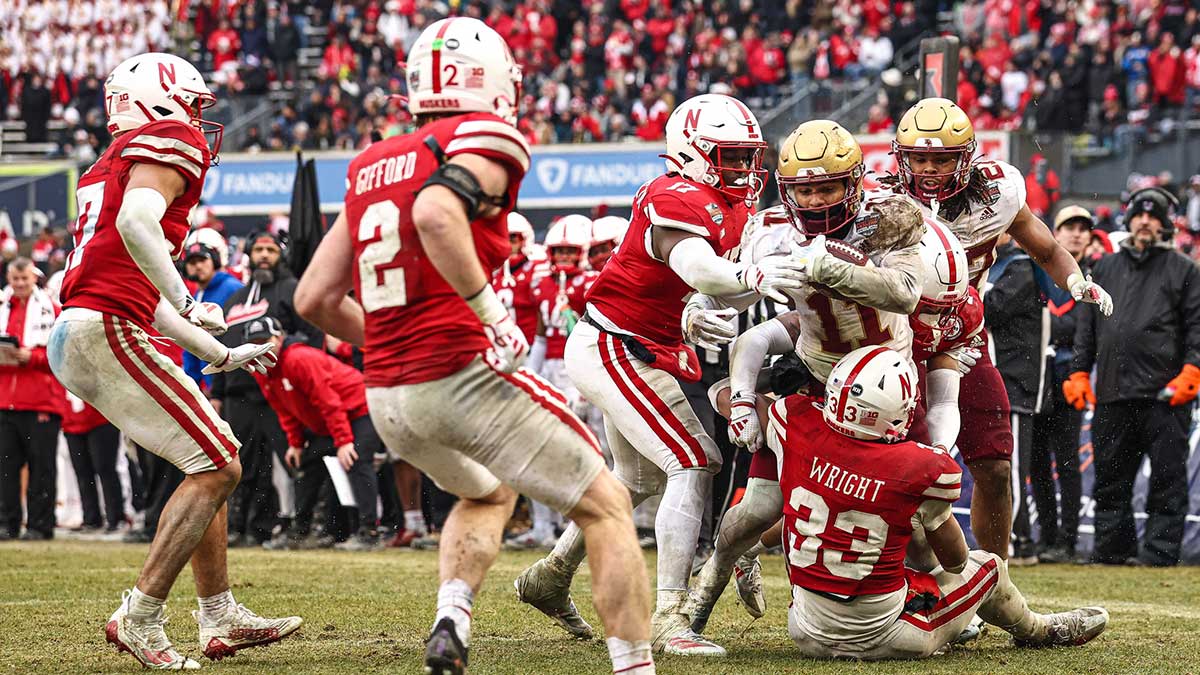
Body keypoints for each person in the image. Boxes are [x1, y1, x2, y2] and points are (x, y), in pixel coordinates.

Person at [294, 18, 655, 675]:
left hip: (390, 394)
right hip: (460, 373)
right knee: (607, 504)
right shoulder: (484, 136)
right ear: (490, 80)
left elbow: (314, 299)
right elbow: (436, 211)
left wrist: (392, 345)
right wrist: (491, 314)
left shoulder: (372, 162)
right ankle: (636, 665)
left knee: (488, 492)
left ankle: (451, 619)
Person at [516, 93, 802, 657]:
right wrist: (744, 274)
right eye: (729, 156)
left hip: (644, 347)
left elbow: (708, 285)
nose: (743, 169)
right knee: (694, 462)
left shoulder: (729, 203)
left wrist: (705, 306)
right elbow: (695, 265)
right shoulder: (674, 193)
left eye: (748, 157)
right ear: (691, 152)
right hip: (613, 345)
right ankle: (671, 615)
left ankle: (549, 577)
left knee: (639, 480)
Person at [46, 52, 300, 669]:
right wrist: (189, 297)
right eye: (191, 103)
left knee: (204, 461)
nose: (196, 119)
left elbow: (143, 294)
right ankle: (141, 616)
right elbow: (138, 225)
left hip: (84, 329)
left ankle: (219, 615)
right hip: (103, 329)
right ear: (160, 100)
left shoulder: (106, 165)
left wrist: (218, 351)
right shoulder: (169, 136)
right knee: (219, 465)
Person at [768, 347, 1108, 659]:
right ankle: (1038, 629)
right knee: (988, 566)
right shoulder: (917, 467)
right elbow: (957, 562)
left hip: (805, 629)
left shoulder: (794, 423)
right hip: (885, 633)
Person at [888, 97, 1113, 559]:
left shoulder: (998, 191)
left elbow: (1047, 249)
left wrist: (1076, 280)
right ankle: (918, 580)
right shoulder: (881, 201)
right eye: (920, 158)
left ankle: (994, 580)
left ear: (965, 156)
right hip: (896, 342)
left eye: (942, 158)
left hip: (962, 337)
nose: (929, 169)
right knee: (904, 469)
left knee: (993, 464)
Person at [1066, 187, 1200, 567]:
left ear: (1166, 225)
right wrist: (1078, 372)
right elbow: (1086, 328)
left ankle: (1159, 554)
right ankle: (1112, 550)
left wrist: (1194, 369)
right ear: (1129, 220)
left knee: (1167, 480)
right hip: (1112, 391)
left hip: (1167, 395)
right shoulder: (1104, 268)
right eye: (1140, 215)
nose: (1145, 221)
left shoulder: (1184, 269)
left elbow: (1197, 328)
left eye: (1154, 216)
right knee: (1110, 478)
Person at [215, 230, 321, 547]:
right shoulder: (234, 300)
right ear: (248, 255)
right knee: (243, 465)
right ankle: (243, 527)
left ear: (281, 256)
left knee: (290, 462)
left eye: (270, 250)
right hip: (237, 395)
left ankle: (300, 526)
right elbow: (220, 348)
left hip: (279, 392)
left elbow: (312, 337)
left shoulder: (291, 290)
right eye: (258, 249)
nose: (264, 255)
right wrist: (216, 393)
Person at [245, 317, 381, 551]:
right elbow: (283, 409)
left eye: (264, 341)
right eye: (254, 344)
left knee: (356, 459)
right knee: (306, 465)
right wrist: (296, 443)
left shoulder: (299, 359)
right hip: (330, 421)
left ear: (278, 338)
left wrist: (344, 440)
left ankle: (369, 531)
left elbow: (329, 401)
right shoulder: (261, 370)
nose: (260, 349)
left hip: (359, 408)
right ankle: (301, 531)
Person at [508, 214, 593, 550]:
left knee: (583, 451)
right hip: (548, 368)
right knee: (538, 449)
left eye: (570, 252)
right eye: (558, 251)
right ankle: (543, 526)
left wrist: (586, 378)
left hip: (579, 366)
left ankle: (578, 528)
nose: (563, 258)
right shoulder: (541, 282)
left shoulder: (592, 282)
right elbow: (542, 334)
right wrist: (528, 374)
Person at [983, 232, 1051, 565]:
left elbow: (988, 310)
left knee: (1010, 469)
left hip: (1013, 384)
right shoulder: (1000, 265)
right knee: (1004, 465)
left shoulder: (1019, 267)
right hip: (1001, 381)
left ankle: (1016, 541)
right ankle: (1018, 539)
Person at [1031, 206, 1093, 564]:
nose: (1077, 234)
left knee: (1069, 463)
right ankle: (1047, 539)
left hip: (1073, 379)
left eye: (1084, 229)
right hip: (1039, 380)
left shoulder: (1097, 275)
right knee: (1038, 464)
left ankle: (1068, 542)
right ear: (1055, 233)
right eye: (1070, 227)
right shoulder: (1039, 274)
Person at [0, 258, 64, 541]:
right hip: (5, 400)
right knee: (5, 468)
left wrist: (33, 357)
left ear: (34, 278)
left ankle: (40, 525)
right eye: (15, 279)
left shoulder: (52, 309)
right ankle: (6, 523)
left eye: (24, 279)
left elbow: (64, 352)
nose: (19, 284)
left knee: (42, 468)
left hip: (41, 401)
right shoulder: (3, 306)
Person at [181, 241, 244, 386]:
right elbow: (191, 343)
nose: (198, 266)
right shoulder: (195, 297)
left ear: (214, 261)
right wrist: (194, 383)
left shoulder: (233, 288)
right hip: (212, 383)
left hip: (233, 381)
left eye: (202, 260)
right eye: (192, 262)